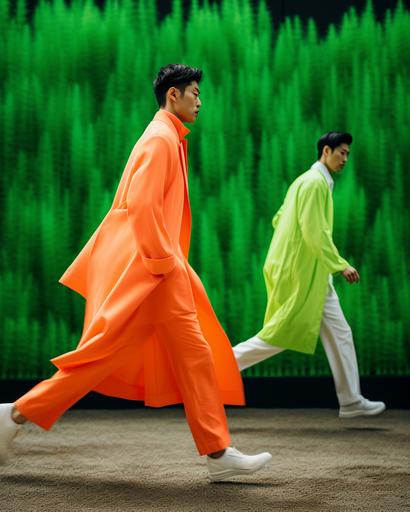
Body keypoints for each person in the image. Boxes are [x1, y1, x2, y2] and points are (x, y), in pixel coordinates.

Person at [0, 64, 271, 481]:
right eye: (194, 93)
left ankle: (217, 453)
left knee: (192, 355)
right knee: (105, 358)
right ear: (173, 96)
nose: (200, 101)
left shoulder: (168, 136)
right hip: (153, 273)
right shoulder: (161, 138)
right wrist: (163, 265)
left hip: (159, 271)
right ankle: (14, 414)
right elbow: (142, 207)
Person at [233, 132, 386, 418]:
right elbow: (315, 232)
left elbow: (279, 218)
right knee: (278, 336)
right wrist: (340, 264)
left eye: (348, 154)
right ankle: (216, 367)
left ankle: (351, 400)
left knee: (340, 333)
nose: (345, 159)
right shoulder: (315, 184)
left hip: (310, 272)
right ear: (326, 151)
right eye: (341, 152)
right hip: (303, 273)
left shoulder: (306, 181)